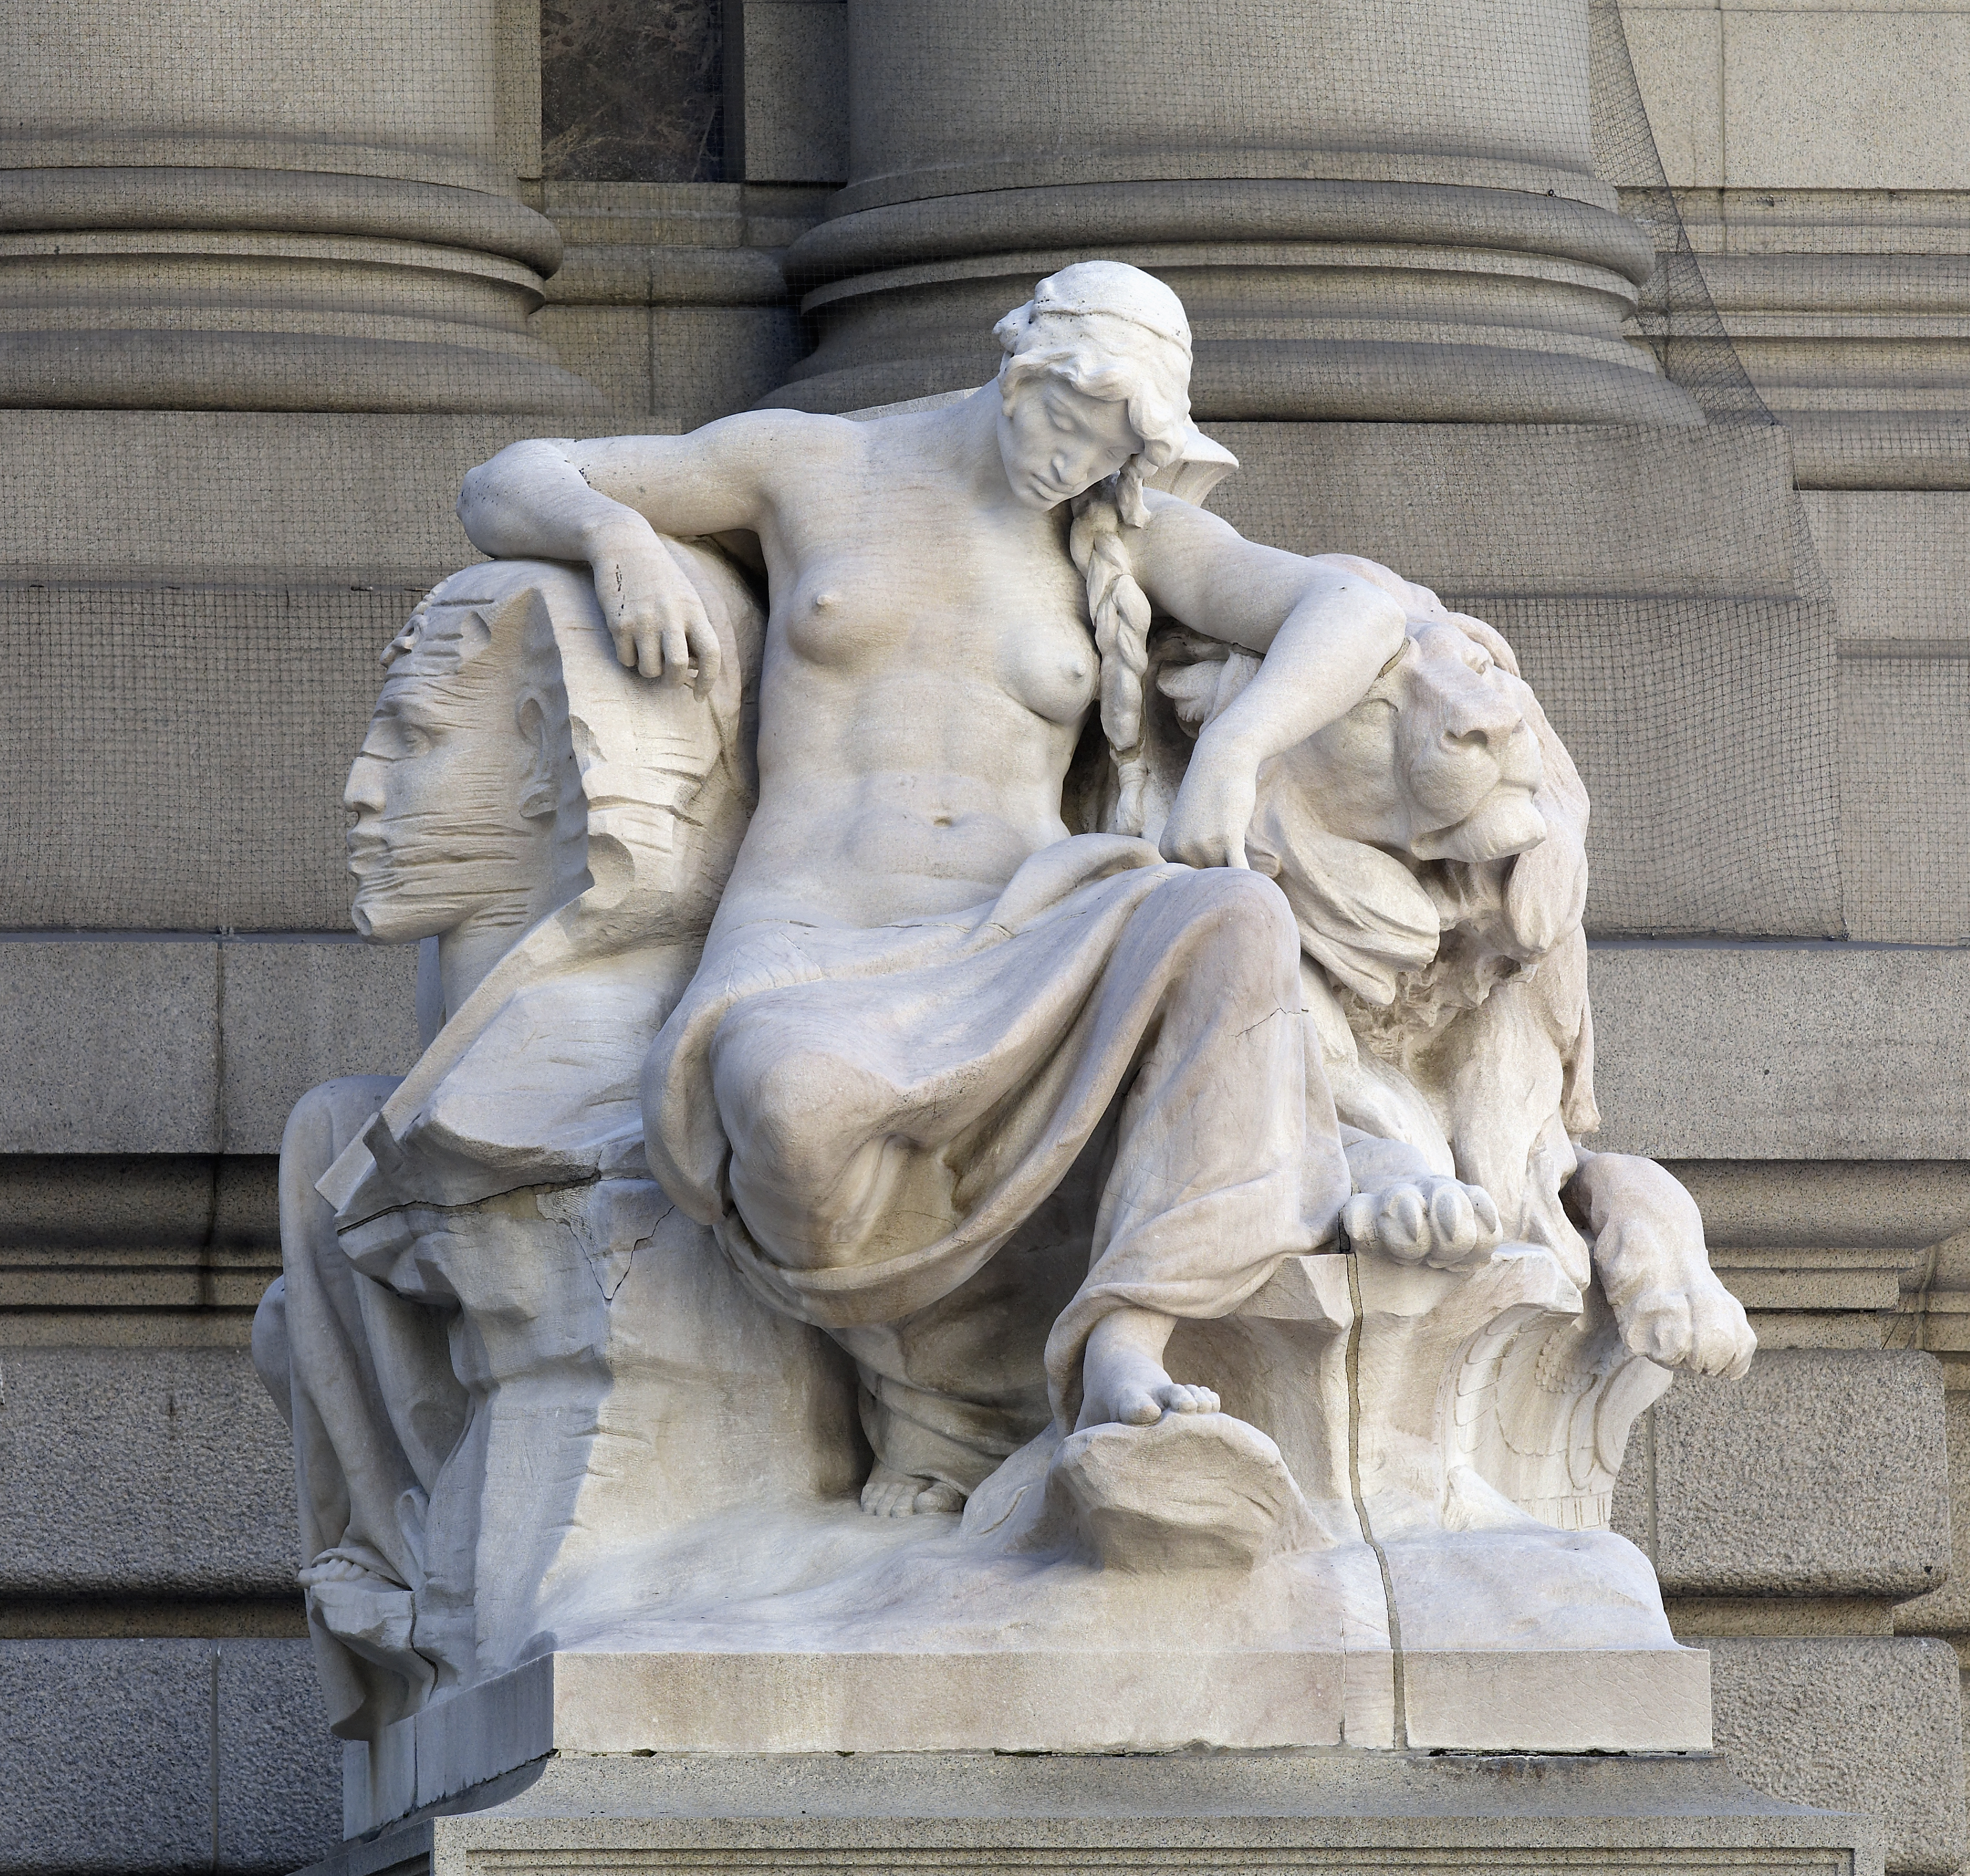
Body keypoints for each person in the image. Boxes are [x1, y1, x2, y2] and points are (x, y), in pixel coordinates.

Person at [457, 262, 1409, 1510]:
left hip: (1029, 930)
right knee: (789, 1115)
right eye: (1077, 418)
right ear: (1018, 369)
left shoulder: (1121, 533)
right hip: (816, 936)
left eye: (1119, 444)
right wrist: (615, 537)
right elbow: (506, 478)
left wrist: (1233, 750)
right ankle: (943, 1395)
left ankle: (1127, 1335)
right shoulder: (812, 464)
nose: (1081, 461)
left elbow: (1360, 604)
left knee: (1231, 915)